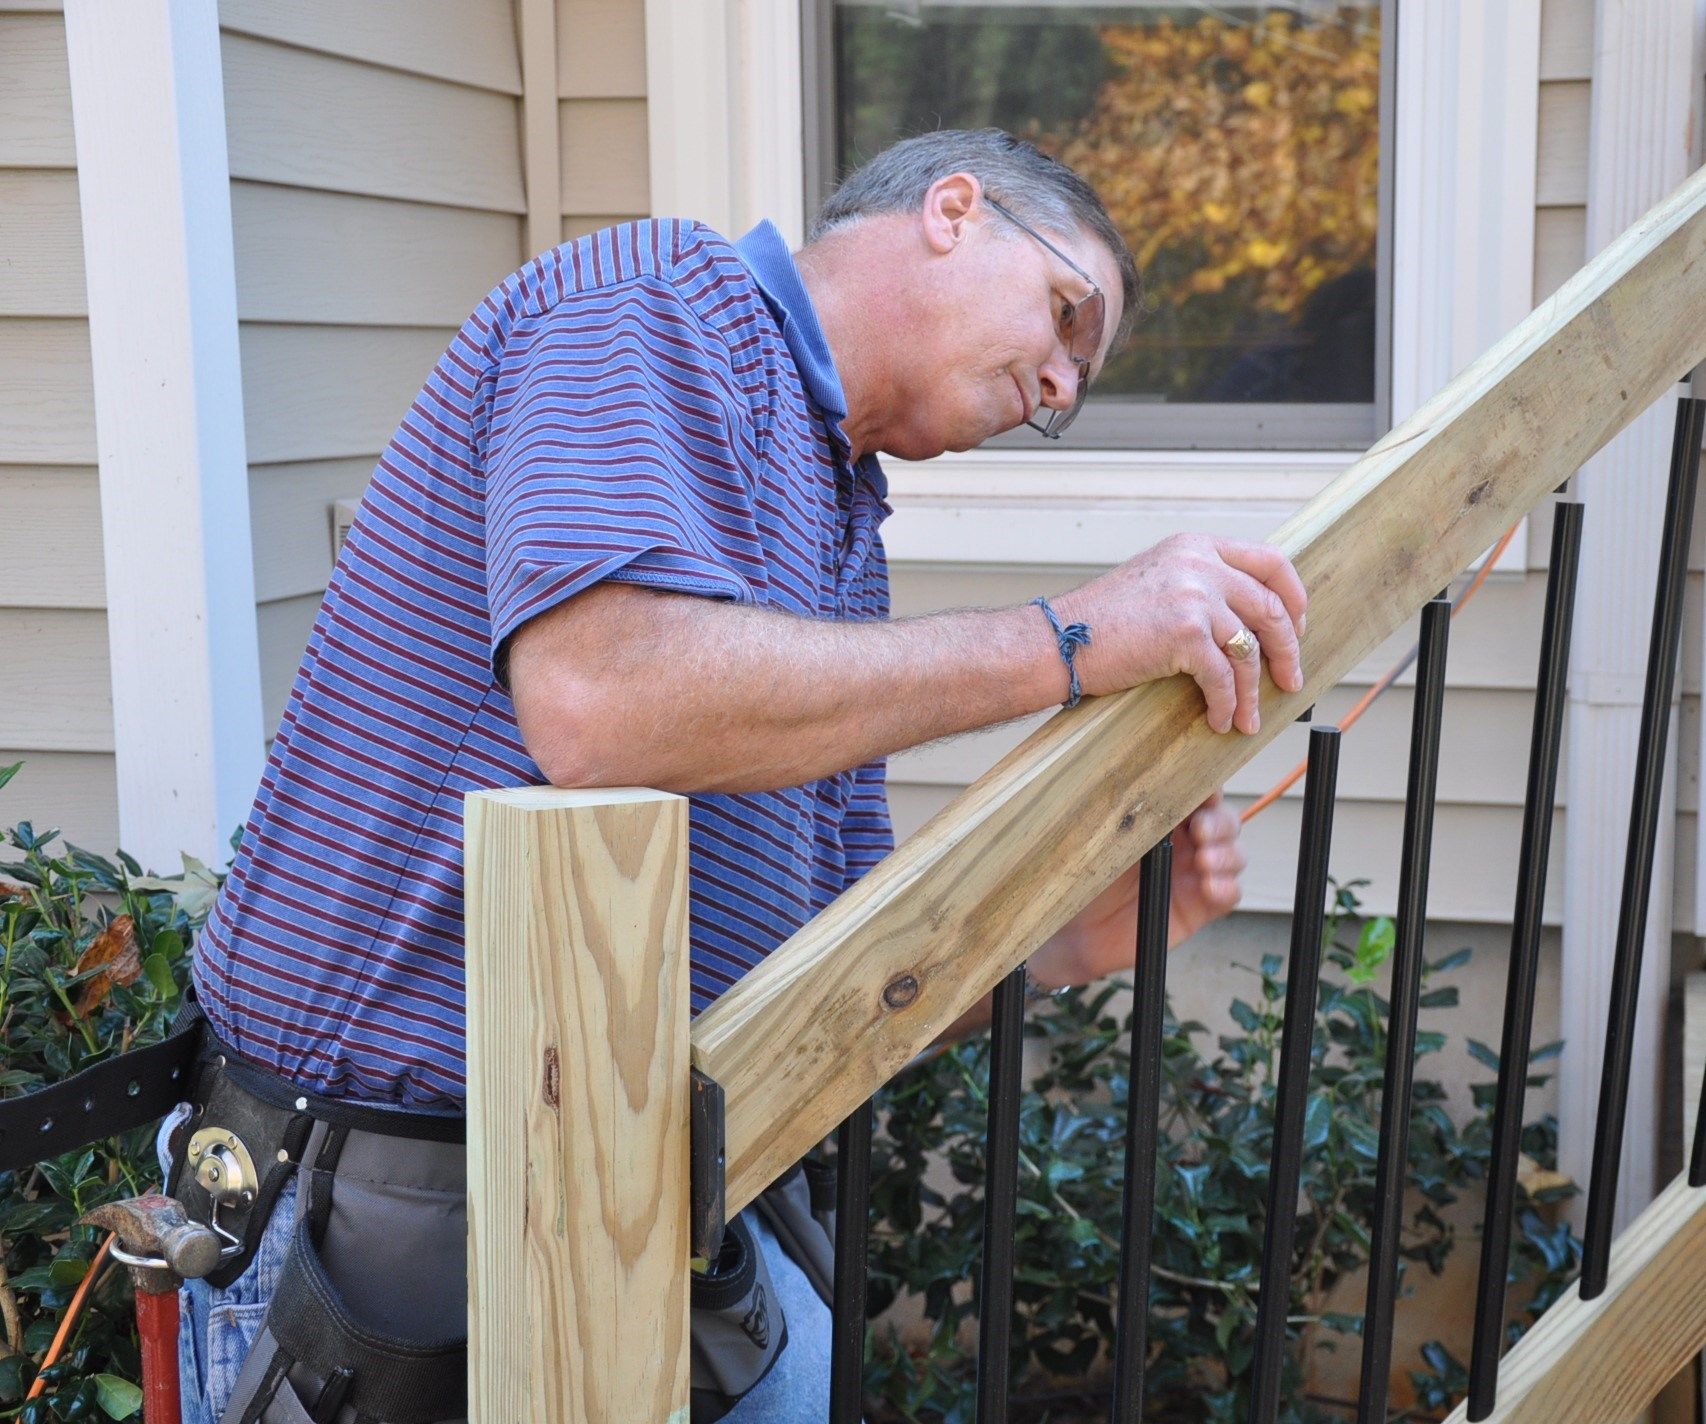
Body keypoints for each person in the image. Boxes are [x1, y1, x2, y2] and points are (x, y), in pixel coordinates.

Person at [168, 128, 1308, 1422]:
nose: (1055, 384)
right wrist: (1077, 637)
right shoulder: (657, 299)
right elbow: (604, 697)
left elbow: (833, 963)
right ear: (953, 209)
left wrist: (1062, 943)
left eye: (1075, 381)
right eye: (1066, 316)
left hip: (636, 1185)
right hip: (400, 1191)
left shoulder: (841, 520)